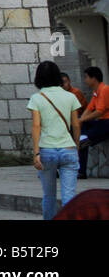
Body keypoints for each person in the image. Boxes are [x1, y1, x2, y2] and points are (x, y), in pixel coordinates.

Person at [28, 60, 81, 219]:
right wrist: (76, 146)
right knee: (69, 197)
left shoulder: (37, 98)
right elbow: (76, 125)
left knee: (49, 196)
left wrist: (36, 153)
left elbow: (36, 126)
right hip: (68, 149)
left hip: (47, 150)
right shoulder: (70, 96)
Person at [78, 67, 109, 179]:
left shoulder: (104, 89)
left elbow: (99, 111)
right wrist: (80, 120)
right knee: (82, 124)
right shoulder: (96, 92)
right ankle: (83, 137)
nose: (85, 80)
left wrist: (82, 120)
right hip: (101, 123)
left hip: (107, 123)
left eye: (87, 77)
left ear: (93, 78)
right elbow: (90, 108)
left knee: (82, 141)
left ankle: (81, 171)